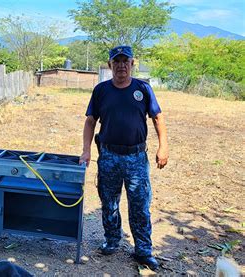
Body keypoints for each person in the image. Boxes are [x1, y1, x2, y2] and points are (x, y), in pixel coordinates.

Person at [79, 45, 168, 271]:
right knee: (109, 202)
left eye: (125, 61)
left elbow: (158, 118)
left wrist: (163, 147)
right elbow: (90, 122)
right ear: (109, 65)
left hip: (136, 157)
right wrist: (86, 150)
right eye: (116, 61)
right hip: (108, 155)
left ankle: (143, 250)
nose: (121, 65)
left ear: (132, 63)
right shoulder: (101, 90)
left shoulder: (143, 88)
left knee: (140, 206)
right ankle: (111, 240)